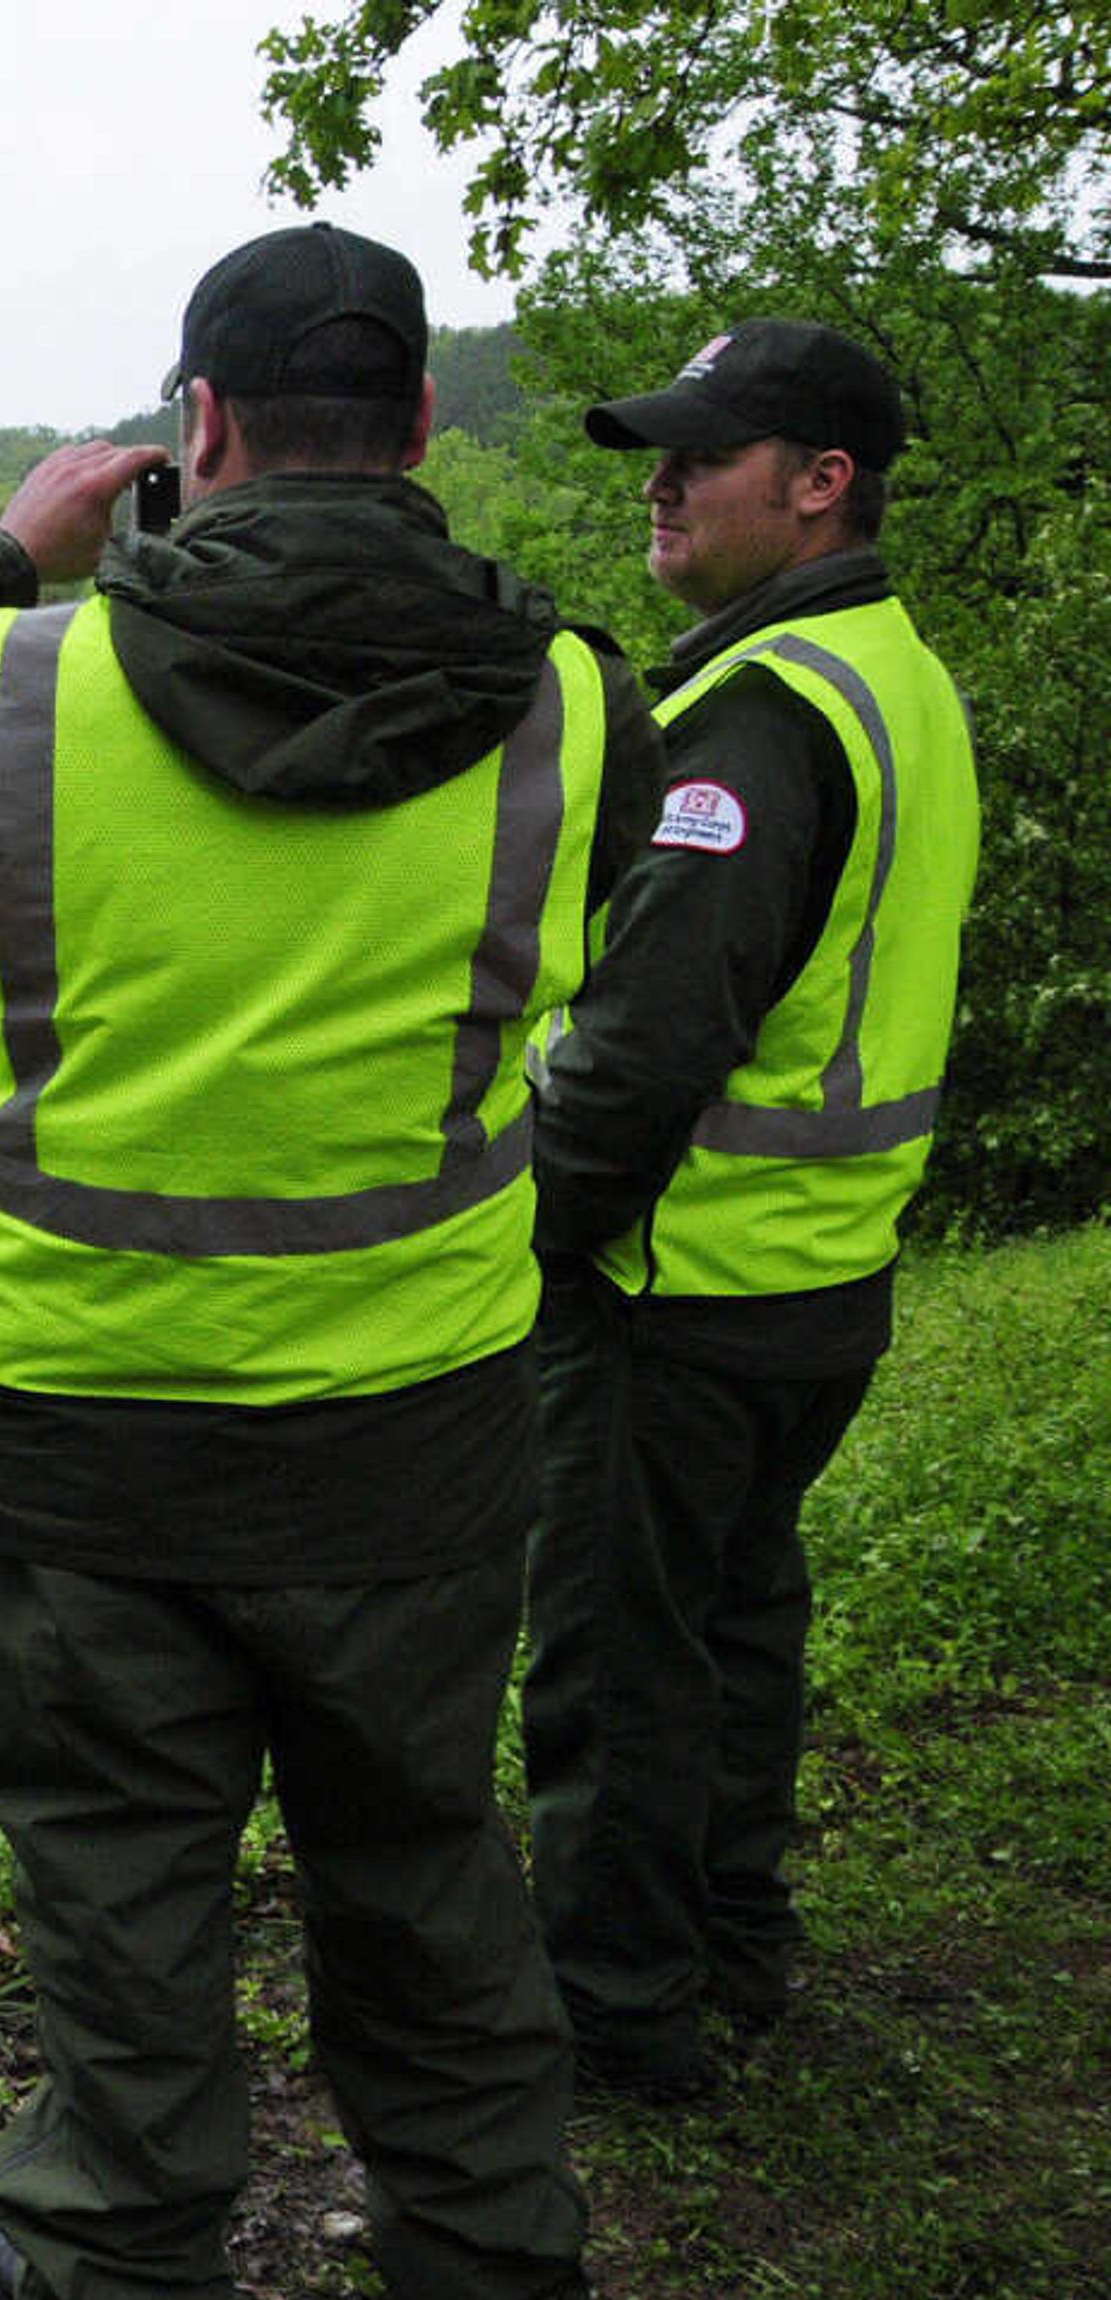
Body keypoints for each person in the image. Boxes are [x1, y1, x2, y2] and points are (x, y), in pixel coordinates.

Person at [0, 222, 662, 2300]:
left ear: (197, 431)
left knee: (121, 1888)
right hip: (410, 1430)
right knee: (423, 1855)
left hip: (67, 1431)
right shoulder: (587, 699)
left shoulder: (12, 681)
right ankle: (489, 2266)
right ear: (423, 426)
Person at [521, 321, 981, 2100]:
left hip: (682, 1288)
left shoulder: (755, 721)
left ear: (818, 484)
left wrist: (530, 1246)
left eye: (703, 452)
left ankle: (622, 2019)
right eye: (659, 447)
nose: (662, 478)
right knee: (738, 1621)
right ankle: (733, 1935)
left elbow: (640, 1052)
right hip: (823, 1281)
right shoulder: (898, 675)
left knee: (623, 1668)